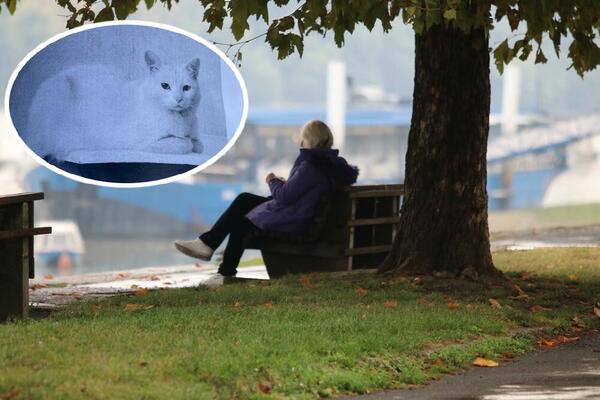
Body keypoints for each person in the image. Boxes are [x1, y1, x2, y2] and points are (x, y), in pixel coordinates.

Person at [174, 119, 359, 277]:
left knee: (241, 224)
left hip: (295, 218)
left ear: (308, 139)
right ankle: (207, 244)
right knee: (245, 199)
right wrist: (288, 184)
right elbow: (303, 191)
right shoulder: (331, 165)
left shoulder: (311, 166)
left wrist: (272, 180)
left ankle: (225, 269)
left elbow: (284, 197)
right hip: (303, 213)